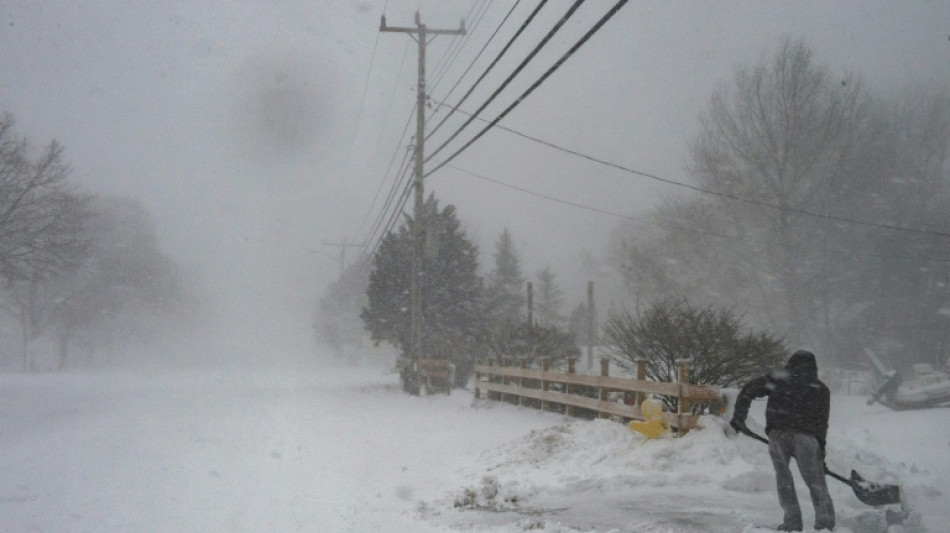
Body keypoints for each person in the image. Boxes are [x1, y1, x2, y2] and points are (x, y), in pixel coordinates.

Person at [730, 349, 835, 532]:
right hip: (807, 438)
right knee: (816, 482)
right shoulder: (820, 389)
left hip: (778, 435)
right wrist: (820, 455)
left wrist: (739, 417)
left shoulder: (778, 378)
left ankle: (792, 523)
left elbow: (748, 390)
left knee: (784, 480)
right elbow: (821, 424)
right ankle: (824, 524)